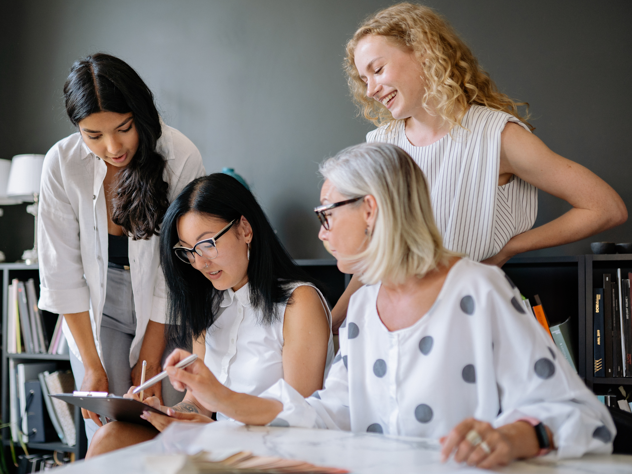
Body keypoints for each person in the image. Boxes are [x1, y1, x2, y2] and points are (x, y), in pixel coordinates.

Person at [160, 143, 615, 469]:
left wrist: (514, 436)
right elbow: (327, 411)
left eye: (327, 214)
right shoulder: (361, 310)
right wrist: (220, 398)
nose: (322, 231)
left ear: (371, 210)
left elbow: (584, 417)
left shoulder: (478, 289)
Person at [330, 2, 627, 330]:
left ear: (424, 52)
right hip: (385, 324)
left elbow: (605, 208)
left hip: (464, 321)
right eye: (363, 78)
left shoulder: (497, 137)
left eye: (378, 70)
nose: (370, 90)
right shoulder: (379, 146)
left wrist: (510, 248)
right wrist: (332, 323)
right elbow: (375, 258)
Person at [85, 173, 334, 457]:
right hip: (219, 441)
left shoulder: (298, 302)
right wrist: (162, 413)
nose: (200, 262)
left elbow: (299, 415)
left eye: (207, 244)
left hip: (274, 448)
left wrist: (214, 430)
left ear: (245, 229)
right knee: (111, 436)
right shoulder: (210, 304)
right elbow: (197, 403)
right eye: (189, 251)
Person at [36, 53, 205, 440]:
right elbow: (60, 271)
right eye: (93, 135)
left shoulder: (181, 155)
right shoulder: (61, 164)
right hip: (101, 309)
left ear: (140, 114)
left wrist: (149, 354)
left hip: (169, 309)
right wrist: (91, 364)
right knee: (110, 426)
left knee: (163, 425)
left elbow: (173, 268)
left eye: (123, 128)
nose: (112, 147)